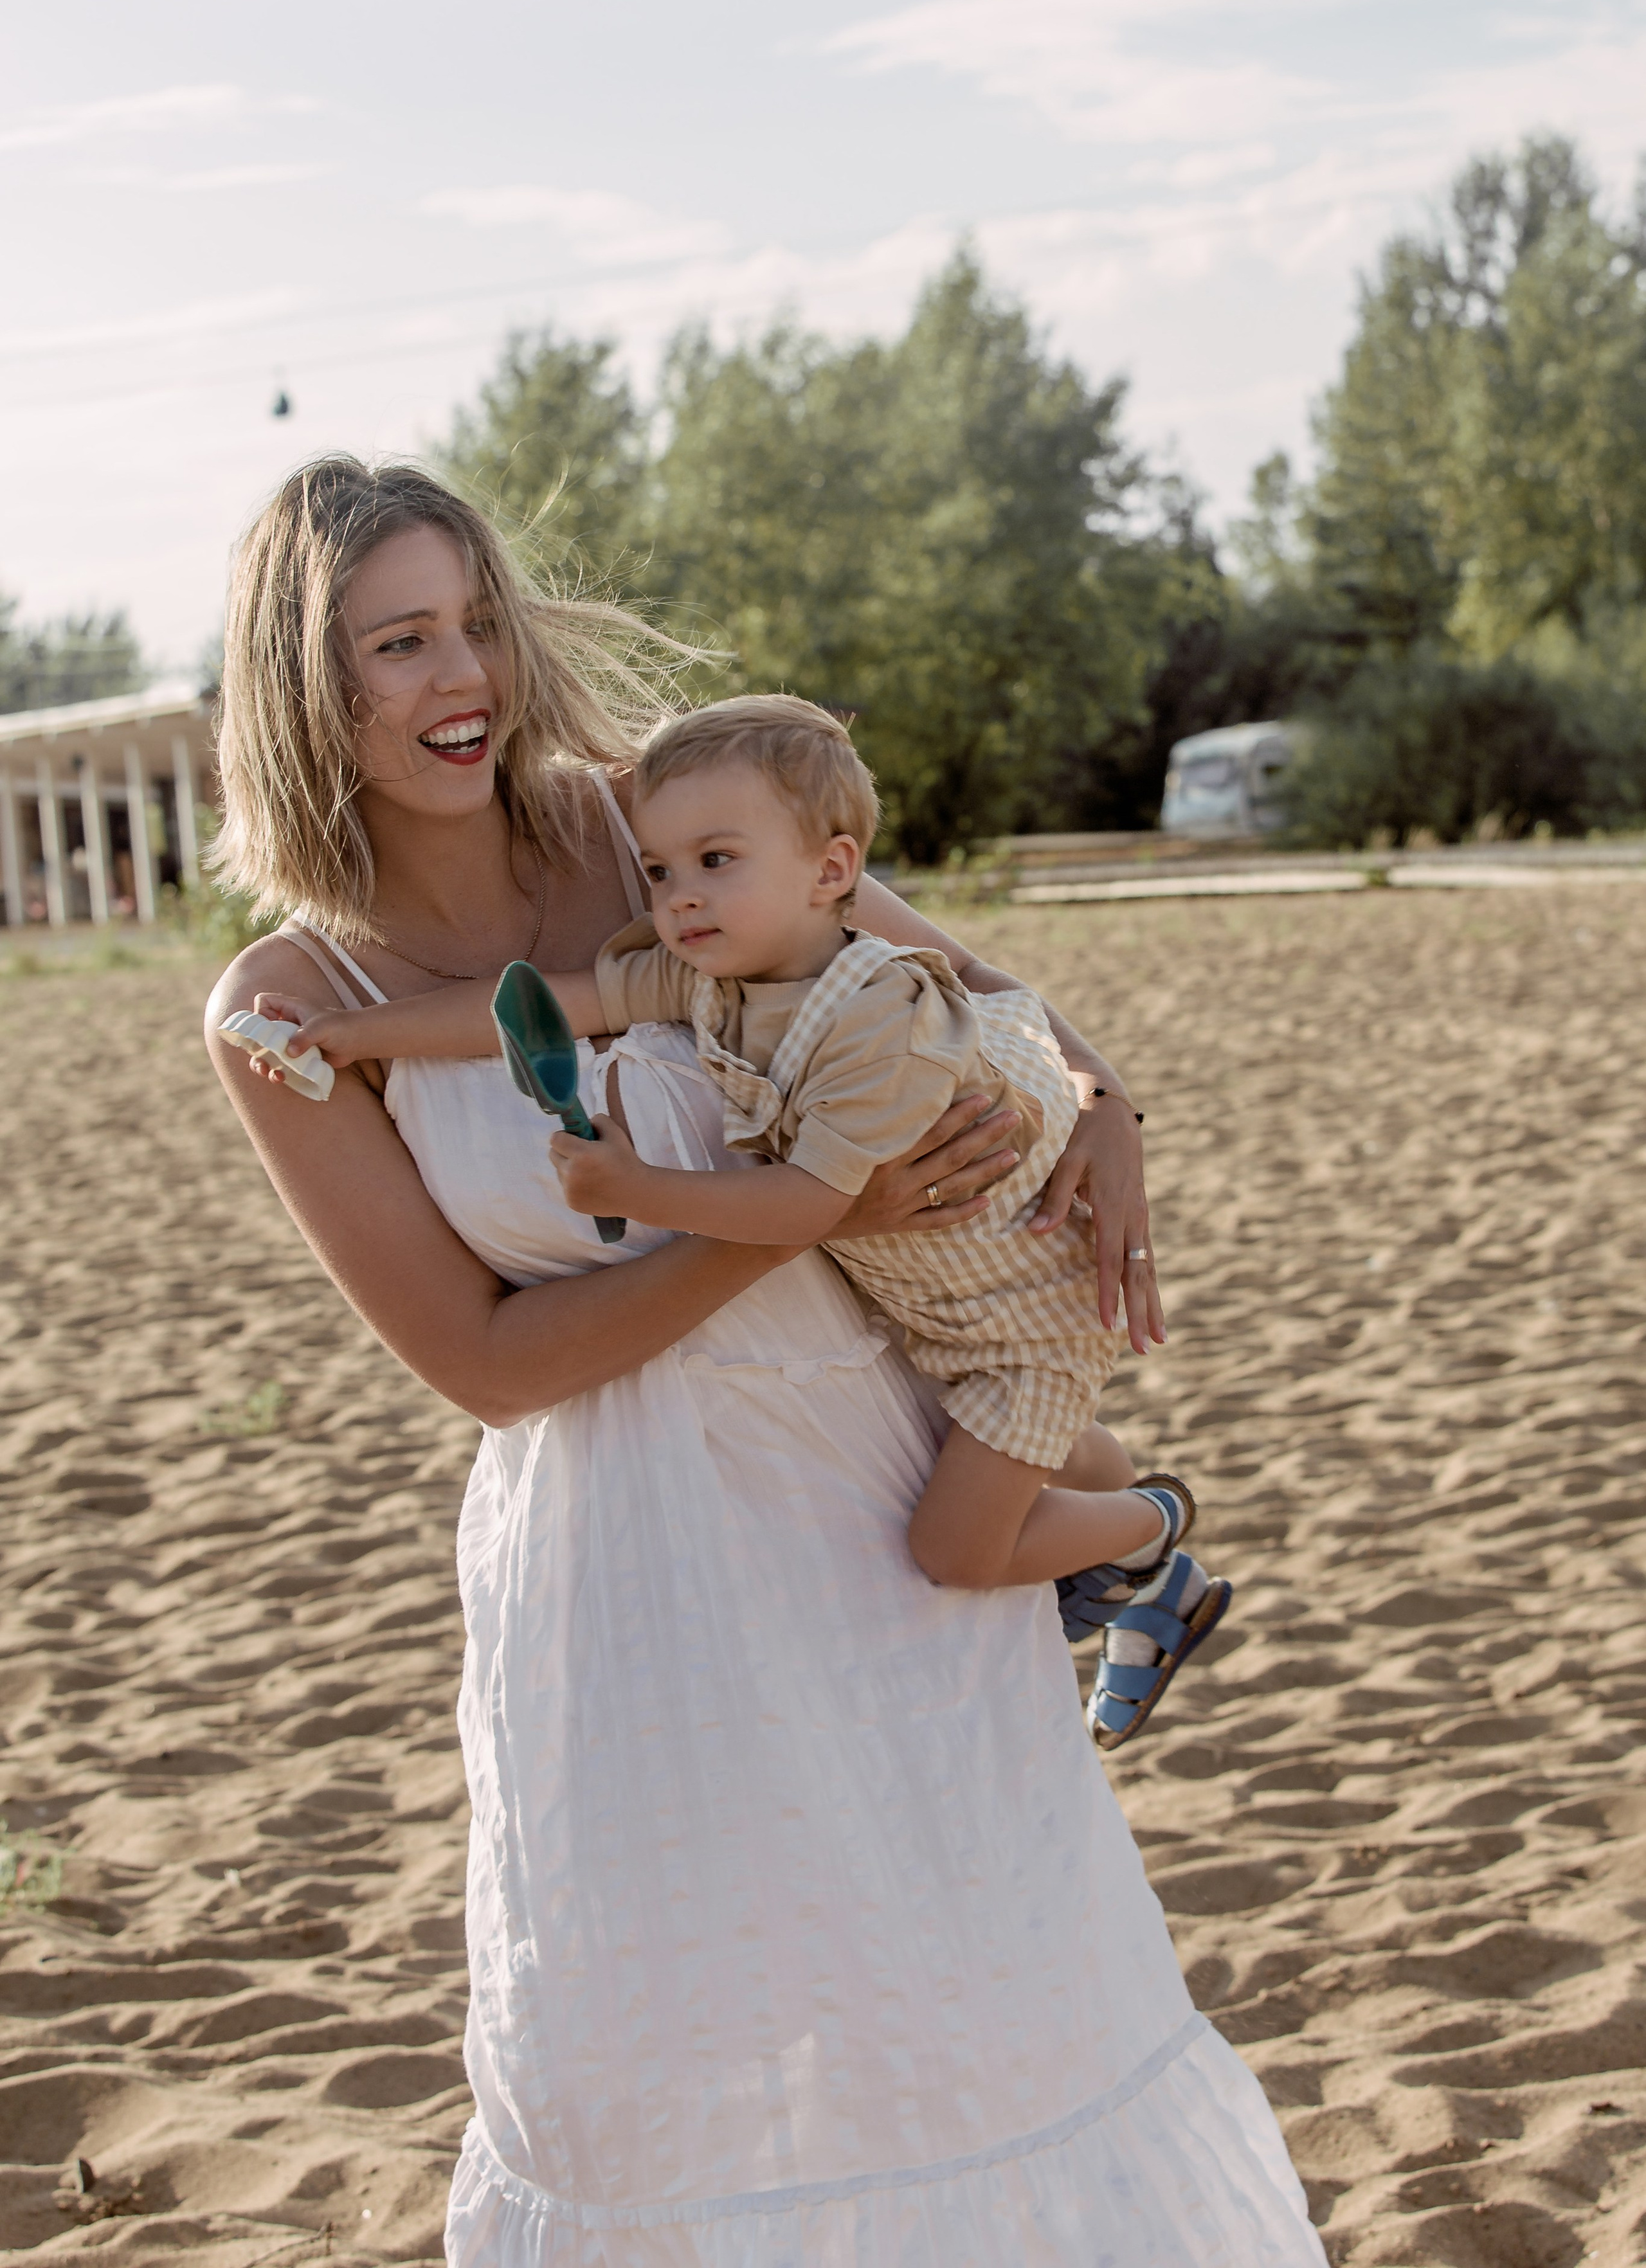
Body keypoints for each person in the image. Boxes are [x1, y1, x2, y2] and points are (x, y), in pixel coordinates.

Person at [204, 455, 1326, 2266]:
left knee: (980, 2012)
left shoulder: (651, 827)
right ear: (298, 685)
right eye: (398, 643)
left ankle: (1131, 1539)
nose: (461, 674)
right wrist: (812, 1209)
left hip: (872, 1491)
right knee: (662, 2068)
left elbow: (971, 996)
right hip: (619, 1575)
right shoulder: (290, 1004)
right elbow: (487, 1367)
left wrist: (1107, 1107)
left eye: (475, 621)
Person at [246, 692, 1229, 1751]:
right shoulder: (710, 972)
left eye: (716, 863)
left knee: (957, 1547)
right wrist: (359, 1034)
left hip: (1018, 1320)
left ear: (832, 871)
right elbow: (547, 1005)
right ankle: (1126, 1550)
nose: (680, 896)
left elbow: (812, 1203)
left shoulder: (878, 1022)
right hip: (931, 1303)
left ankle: (1151, 1532)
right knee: (1025, 1456)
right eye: (659, 872)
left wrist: (634, 1189)